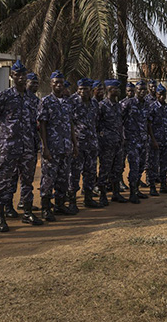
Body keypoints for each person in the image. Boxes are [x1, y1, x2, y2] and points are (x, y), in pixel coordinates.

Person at [0, 60, 43, 231]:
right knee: (3, 181)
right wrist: (3, 127)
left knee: (27, 181)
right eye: (17, 74)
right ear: (12, 76)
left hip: (27, 147)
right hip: (8, 147)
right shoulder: (4, 96)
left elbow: (37, 122)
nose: (20, 78)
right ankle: (0, 216)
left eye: (23, 75)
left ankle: (27, 212)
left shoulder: (32, 99)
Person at [38, 71, 78, 220]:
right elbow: (42, 125)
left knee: (63, 178)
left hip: (66, 147)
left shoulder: (68, 103)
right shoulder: (46, 101)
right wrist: (45, 147)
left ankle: (60, 205)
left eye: (61, 82)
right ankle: (46, 208)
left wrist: (75, 144)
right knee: (48, 178)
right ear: (51, 84)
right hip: (52, 148)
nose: (59, 85)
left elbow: (71, 125)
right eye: (56, 82)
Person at [69, 78, 102, 210]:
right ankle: (72, 201)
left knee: (90, 172)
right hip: (78, 143)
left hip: (92, 143)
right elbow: (68, 123)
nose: (83, 91)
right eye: (80, 89)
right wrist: (73, 143)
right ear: (77, 89)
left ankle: (88, 198)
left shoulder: (94, 104)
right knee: (74, 172)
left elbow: (96, 121)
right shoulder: (72, 102)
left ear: (90, 90)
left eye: (86, 89)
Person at [97, 79, 126, 205]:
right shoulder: (102, 105)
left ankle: (116, 193)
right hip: (107, 144)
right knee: (105, 169)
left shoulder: (118, 105)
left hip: (118, 142)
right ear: (109, 90)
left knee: (117, 169)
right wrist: (102, 137)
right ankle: (103, 195)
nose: (118, 91)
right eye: (116, 89)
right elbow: (97, 123)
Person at [121, 80, 150, 203]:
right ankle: (132, 193)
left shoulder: (146, 104)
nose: (142, 91)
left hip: (143, 140)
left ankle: (137, 189)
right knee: (134, 166)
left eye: (144, 89)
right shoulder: (128, 103)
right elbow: (120, 120)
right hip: (131, 140)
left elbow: (147, 122)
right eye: (139, 89)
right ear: (135, 90)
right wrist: (123, 137)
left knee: (141, 166)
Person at [18, 71, 40, 212]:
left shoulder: (37, 101)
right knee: (11, 177)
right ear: (26, 83)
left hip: (31, 144)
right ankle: (7, 206)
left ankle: (24, 203)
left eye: (37, 83)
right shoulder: (17, 97)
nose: (35, 86)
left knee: (28, 176)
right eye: (32, 82)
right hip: (14, 145)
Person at [146, 84, 167, 195]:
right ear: (156, 95)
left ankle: (163, 185)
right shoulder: (152, 107)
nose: (162, 97)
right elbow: (149, 124)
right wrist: (153, 140)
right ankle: (152, 186)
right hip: (155, 141)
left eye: (163, 94)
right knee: (153, 164)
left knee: (164, 164)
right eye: (160, 94)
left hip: (165, 140)